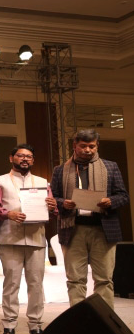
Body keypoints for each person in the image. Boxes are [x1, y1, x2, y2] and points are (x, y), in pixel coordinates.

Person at [50, 129, 129, 308]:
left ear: (97, 146)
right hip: (72, 229)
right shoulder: (60, 170)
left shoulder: (110, 167)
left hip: (103, 229)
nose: (88, 150)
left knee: (104, 279)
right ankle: (79, 317)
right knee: (75, 279)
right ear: (74, 146)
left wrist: (110, 201)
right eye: (83, 146)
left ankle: (104, 319)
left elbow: (123, 196)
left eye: (92, 146)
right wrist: (63, 203)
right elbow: (52, 197)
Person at [0, 144, 57, 334]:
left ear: (33, 160)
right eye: (20, 156)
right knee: (11, 283)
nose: (25, 159)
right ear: (12, 158)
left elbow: (53, 212)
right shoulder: (1, 181)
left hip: (36, 239)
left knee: (36, 284)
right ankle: (9, 325)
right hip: (11, 238)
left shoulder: (43, 182)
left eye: (29, 156)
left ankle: (35, 325)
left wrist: (52, 207)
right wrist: (8, 214)